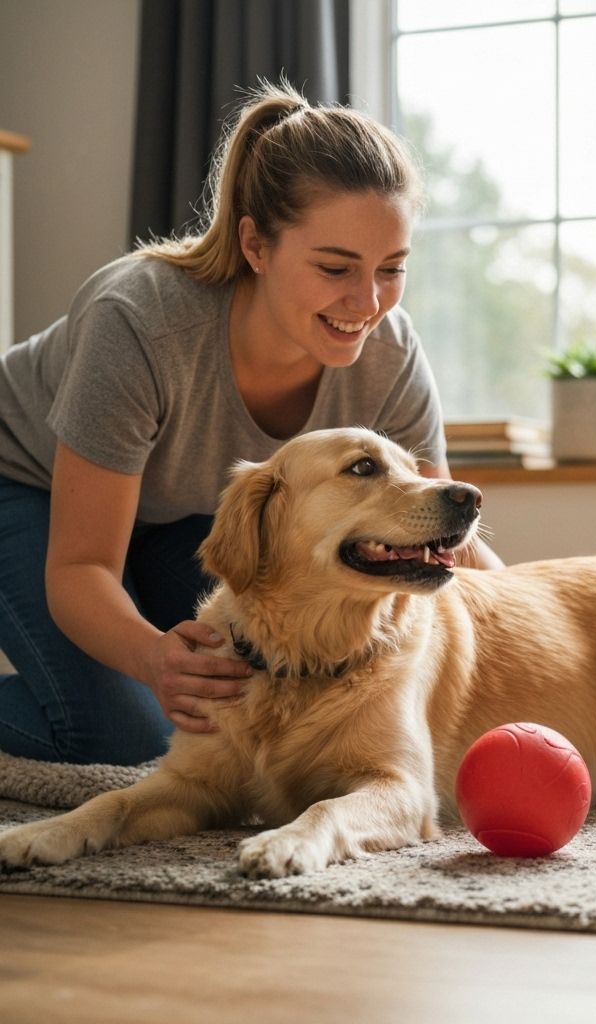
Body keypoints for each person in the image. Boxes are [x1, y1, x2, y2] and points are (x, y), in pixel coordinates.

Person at [0, 80, 503, 766]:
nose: (367, 301)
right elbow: (84, 564)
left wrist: (533, 651)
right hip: (26, 486)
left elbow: (442, 538)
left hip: (177, 517)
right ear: (256, 245)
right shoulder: (140, 321)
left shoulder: (390, 352)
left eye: (392, 269)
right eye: (335, 267)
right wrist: (153, 656)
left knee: (253, 688)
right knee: (131, 734)